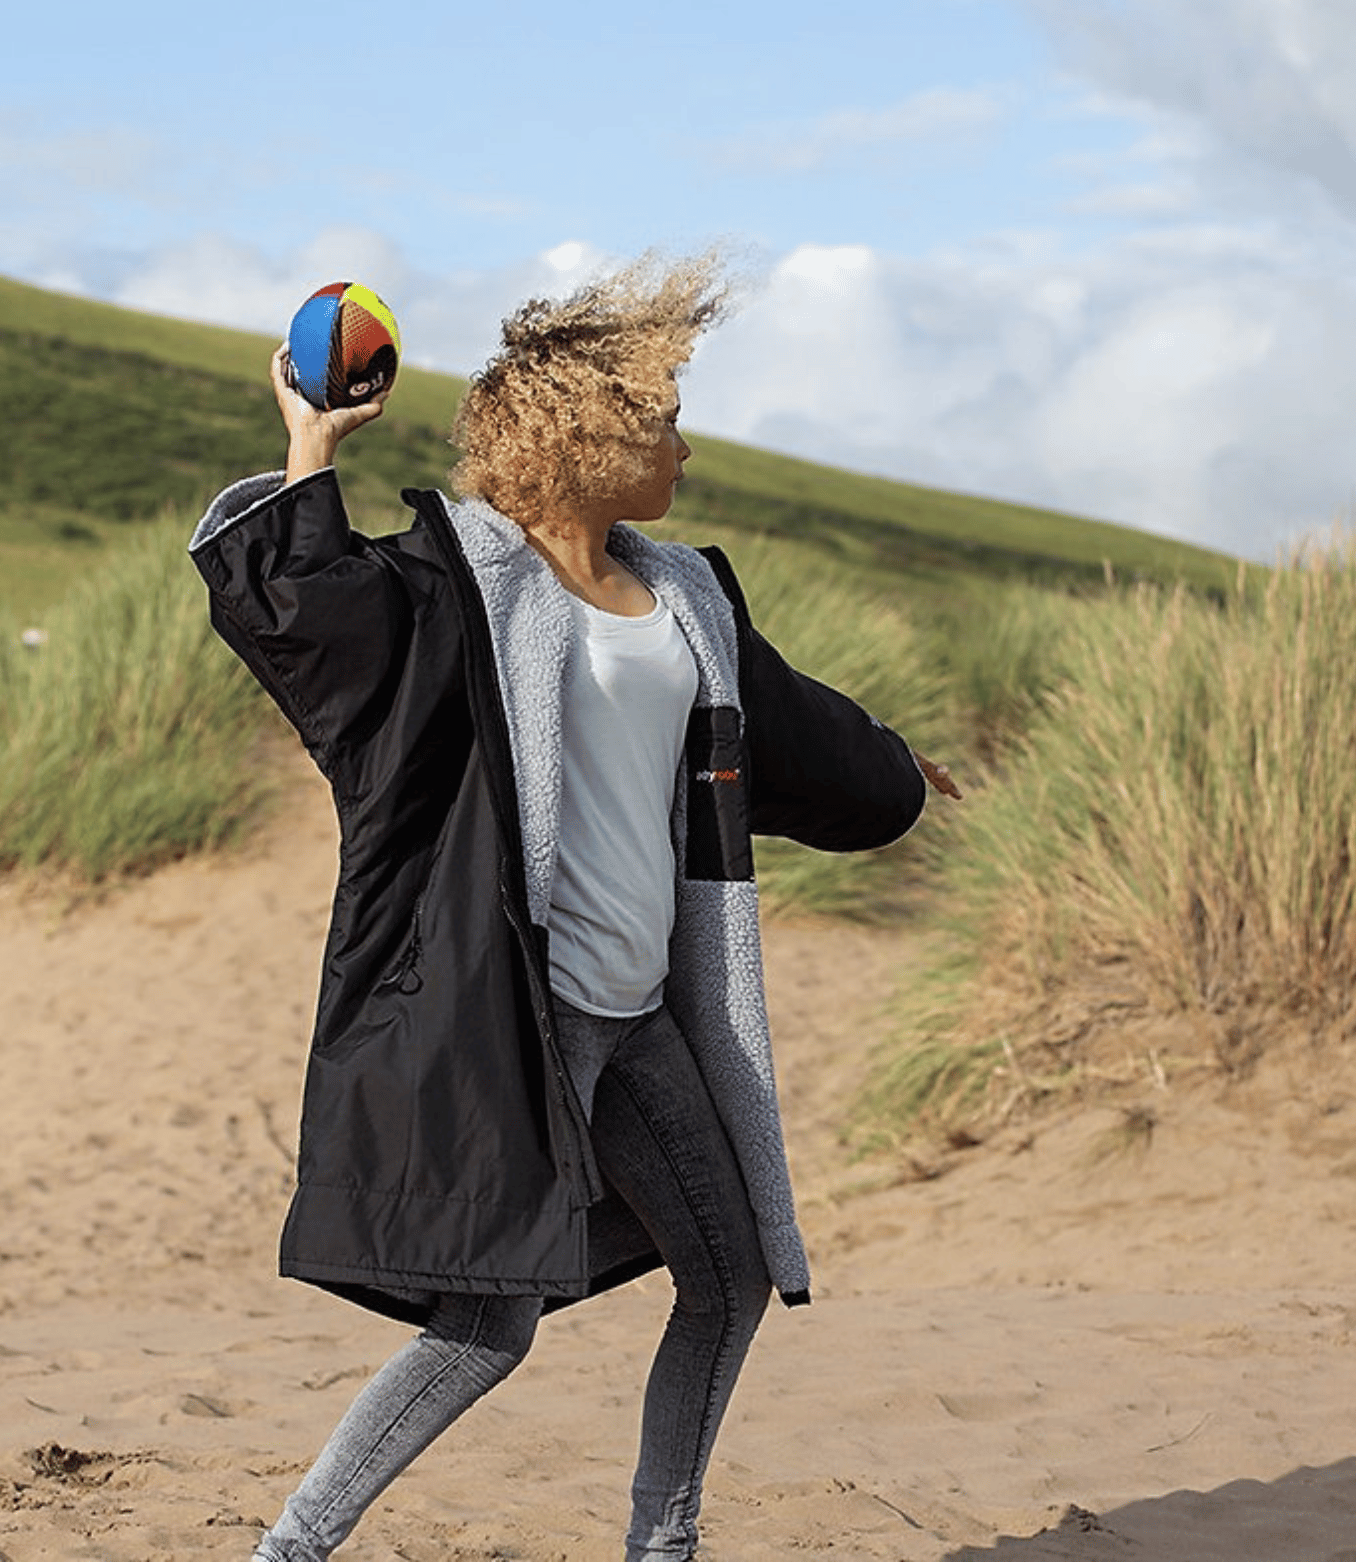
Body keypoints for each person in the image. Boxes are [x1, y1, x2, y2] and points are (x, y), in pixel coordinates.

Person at [189, 254, 958, 1562]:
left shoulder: (688, 597)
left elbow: (790, 726)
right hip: (514, 1022)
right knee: (487, 1329)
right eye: (664, 420)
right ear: (586, 432)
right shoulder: (458, 589)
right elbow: (313, 618)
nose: (685, 447)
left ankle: (664, 1547)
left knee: (727, 1280)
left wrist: (896, 767)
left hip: (639, 1014)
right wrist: (310, 447)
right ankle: (292, 1549)